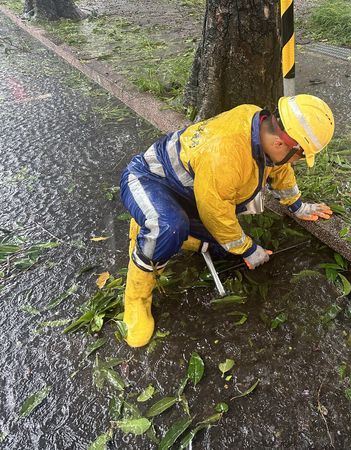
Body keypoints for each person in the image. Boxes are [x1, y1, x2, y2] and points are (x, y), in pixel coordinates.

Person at [120, 94, 335, 347]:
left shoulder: (264, 125)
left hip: (190, 193)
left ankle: (160, 230)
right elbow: (215, 212)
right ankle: (136, 299)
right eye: (300, 156)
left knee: (223, 249)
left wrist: (298, 206)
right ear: (281, 143)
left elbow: (280, 168)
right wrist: (248, 248)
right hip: (149, 180)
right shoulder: (225, 154)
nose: (297, 162)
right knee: (168, 227)